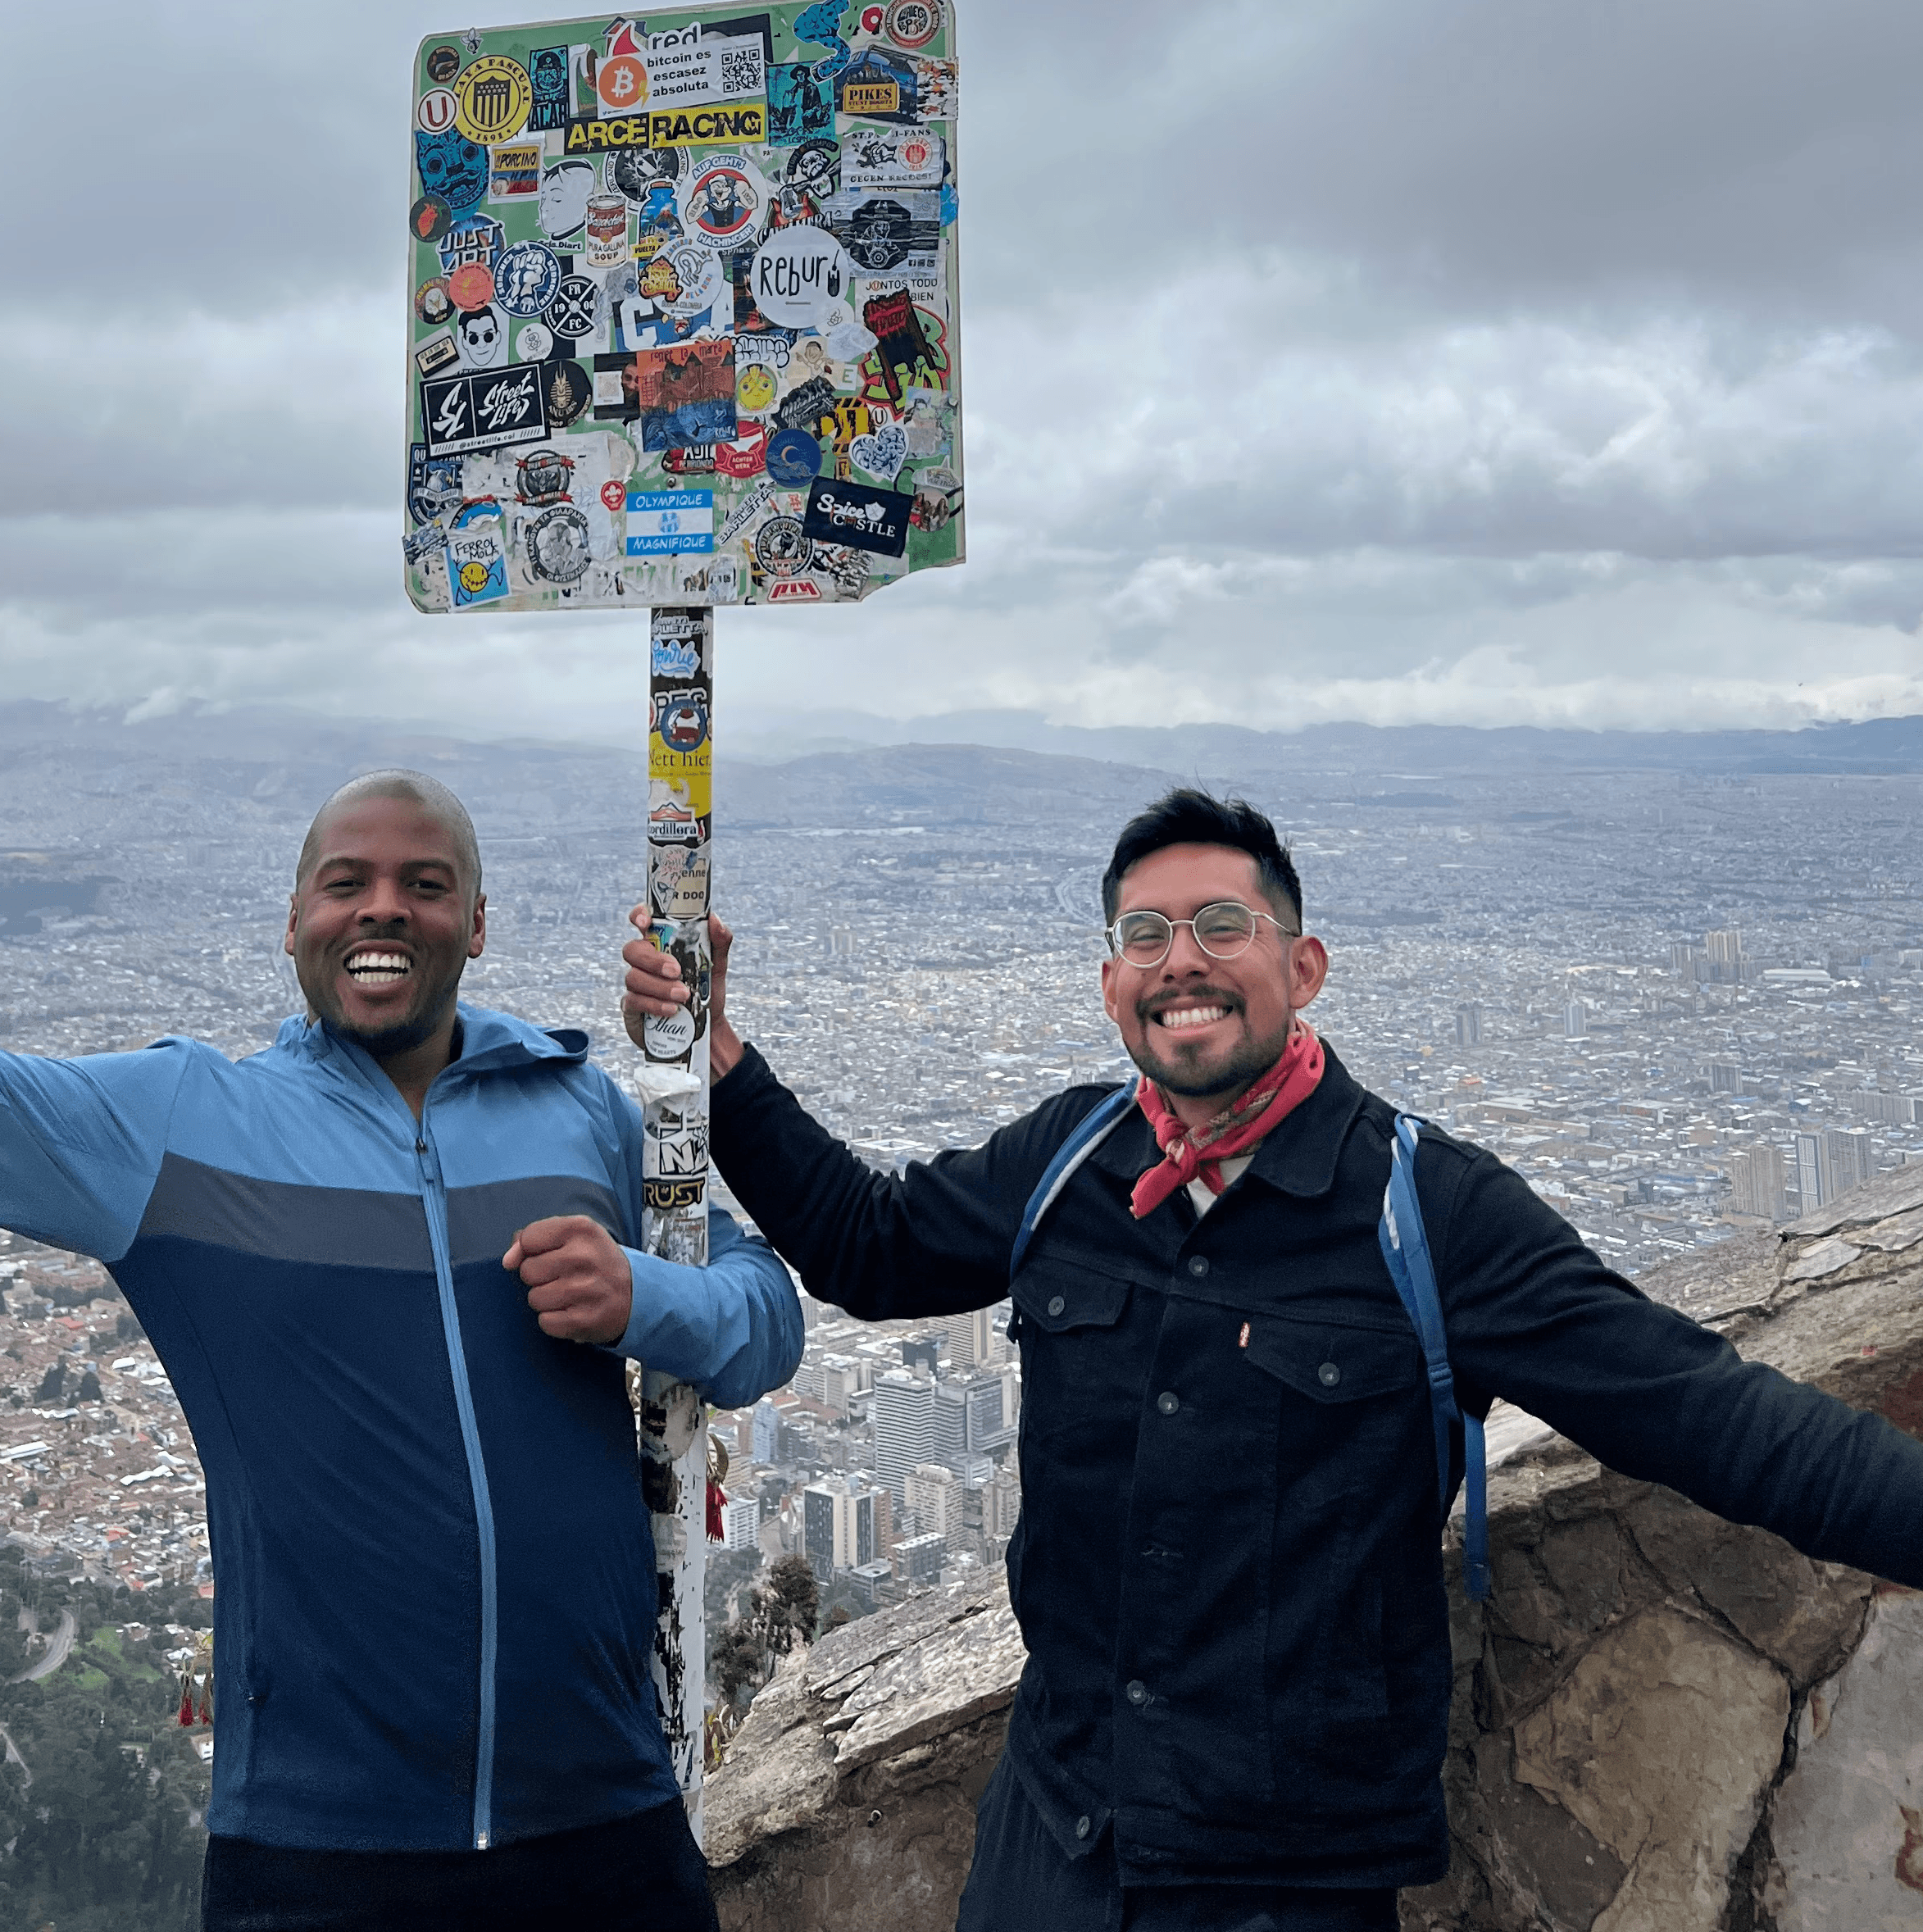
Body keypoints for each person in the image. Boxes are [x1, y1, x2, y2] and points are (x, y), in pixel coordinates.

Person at [0, 723, 800, 1932]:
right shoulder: (183, 1129)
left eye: (426, 886)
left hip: (607, 1815)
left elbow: (766, 1316)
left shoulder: (582, 1114)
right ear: (294, 921)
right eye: (346, 884)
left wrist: (646, 1299)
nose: (383, 909)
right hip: (320, 1849)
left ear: (477, 924)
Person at [620, 787, 1923, 1932]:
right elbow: (871, 1246)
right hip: (1055, 1842)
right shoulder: (1069, 1163)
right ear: (1111, 986)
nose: (1180, 961)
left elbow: (1709, 1415)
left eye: (1220, 926)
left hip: (1287, 1877)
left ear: (1304, 967)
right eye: (1145, 935)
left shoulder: (1431, 1212)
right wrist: (722, 1059)